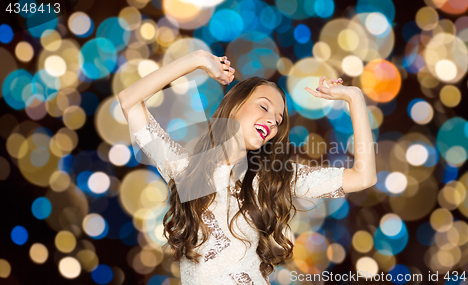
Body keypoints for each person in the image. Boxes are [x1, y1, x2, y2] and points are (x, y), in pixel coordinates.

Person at [118, 50, 377, 285]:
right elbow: (129, 99)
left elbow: (364, 176)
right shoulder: (184, 170)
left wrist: (354, 99)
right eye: (264, 106)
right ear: (235, 106)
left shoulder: (274, 179)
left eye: (278, 120)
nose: (272, 122)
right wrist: (195, 60)